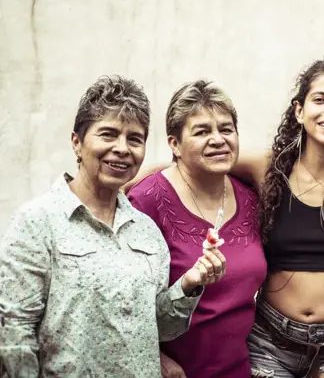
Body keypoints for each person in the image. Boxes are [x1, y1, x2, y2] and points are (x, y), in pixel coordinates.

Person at [125, 59, 324, 377]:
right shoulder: (270, 168)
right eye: (320, 99)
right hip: (273, 339)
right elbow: (202, 157)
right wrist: (140, 175)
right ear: (299, 110)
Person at [0, 76, 226, 377]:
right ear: (77, 142)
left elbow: (159, 327)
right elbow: (15, 334)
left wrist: (189, 284)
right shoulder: (37, 222)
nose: (122, 148)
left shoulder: (145, 230)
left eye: (135, 139)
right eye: (108, 134)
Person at [127, 80, 267, 378]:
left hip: (239, 369)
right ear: (174, 145)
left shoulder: (252, 198)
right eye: (202, 131)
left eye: (226, 129)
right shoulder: (146, 201)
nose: (217, 139)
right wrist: (158, 358)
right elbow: (122, 302)